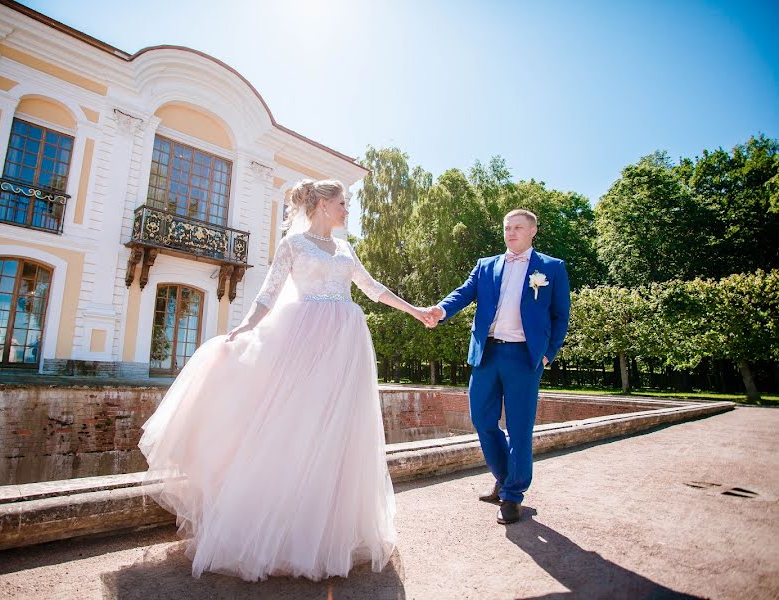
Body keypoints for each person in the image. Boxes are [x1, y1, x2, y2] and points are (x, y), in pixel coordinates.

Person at [138, 179, 434, 581]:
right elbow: (269, 293)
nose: (347, 209)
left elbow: (372, 288)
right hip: (304, 338)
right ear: (322, 205)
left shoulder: (346, 248)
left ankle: (330, 531)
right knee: (296, 425)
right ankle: (285, 533)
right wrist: (243, 327)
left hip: (345, 342)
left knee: (339, 430)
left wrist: (415, 310)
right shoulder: (292, 245)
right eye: (342, 202)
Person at [426, 209, 570, 525]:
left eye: (518, 227)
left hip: (524, 358)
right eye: (507, 228)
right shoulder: (486, 266)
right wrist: (441, 310)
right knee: (482, 420)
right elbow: (463, 293)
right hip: (486, 355)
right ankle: (505, 478)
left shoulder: (552, 268)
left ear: (533, 231)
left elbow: (561, 316)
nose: (511, 232)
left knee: (520, 429)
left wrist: (548, 355)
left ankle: (512, 496)